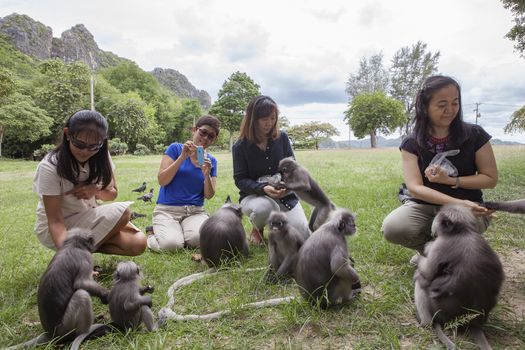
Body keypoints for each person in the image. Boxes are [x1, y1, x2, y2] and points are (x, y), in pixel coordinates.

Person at [381, 75, 498, 259]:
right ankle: (429, 252)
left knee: (443, 226)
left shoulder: (475, 135)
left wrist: (451, 181)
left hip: (469, 206)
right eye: (442, 104)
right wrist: (457, 202)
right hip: (424, 205)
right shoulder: (411, 143)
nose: (450, 110)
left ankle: (449, 253)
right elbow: (415, 188)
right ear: (424, 107)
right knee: (393, 227)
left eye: (455, 103)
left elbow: (490, 179)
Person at [33, 110, 147, 255]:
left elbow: (112, 194)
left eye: (94, 146)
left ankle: (80, 252)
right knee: (124, 212)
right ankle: (74, 257)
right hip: (58, 226)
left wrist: (96, 191)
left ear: (103, 140)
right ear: (67, 134)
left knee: (138, 243)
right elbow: (55, 221)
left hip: (88, 216)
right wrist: (68, 260)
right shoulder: (50, 167)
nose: (85, 151)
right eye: (79, 144)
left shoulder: (102, 156)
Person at [232, 95, 310, 245]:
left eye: (273, 118)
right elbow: (240, 180)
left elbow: (292, 167)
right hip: (254, 197)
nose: (269, 123)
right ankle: (258, 227)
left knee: (302, 233)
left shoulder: (282, 138)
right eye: (264, 119)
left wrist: (287, 184)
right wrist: (263, 188)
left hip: (285, 196)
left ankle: (276, 225)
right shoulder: (240, 146)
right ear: (253, 120)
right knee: (266, 207)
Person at [146, 115, 220, 252]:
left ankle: (181, 234)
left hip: (195, 212)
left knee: (201, 240)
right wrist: (182, 158)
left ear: (214, 139)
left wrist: (207, 175)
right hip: (167, 210)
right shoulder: (175, 148)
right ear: (194, 130)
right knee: (171, 246)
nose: (205, 138)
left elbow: (209, 195)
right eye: (203, 132)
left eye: (211, 136)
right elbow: (162, 180)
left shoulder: (212, 162)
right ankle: (151, 235)